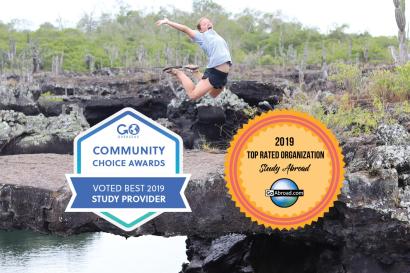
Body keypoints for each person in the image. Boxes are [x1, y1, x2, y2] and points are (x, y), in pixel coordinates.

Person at [156, 17, 232, 100]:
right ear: (200, 29)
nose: (208, 24)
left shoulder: (216, 35)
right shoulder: (202, 36)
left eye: (209, 22)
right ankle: (178, 73)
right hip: (216, 72)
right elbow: (185, 29)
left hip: (223, 75)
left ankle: (195, 71)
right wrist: (168, 22)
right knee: (193, 95)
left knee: (211, 96)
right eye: (204, 24)